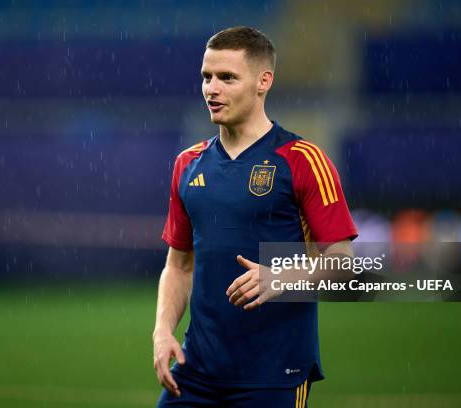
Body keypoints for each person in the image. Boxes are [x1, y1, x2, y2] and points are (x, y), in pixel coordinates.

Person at [153, 26, 358, 407]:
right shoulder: (188, 164)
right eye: (206, 77)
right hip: (195, 372)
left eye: (227, 78)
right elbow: (179, 267)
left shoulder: (303, 160)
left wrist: (280, 276)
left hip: (273, 375)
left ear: (264, 81)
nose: (211, 89)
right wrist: (162, 331)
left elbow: (343, 264)